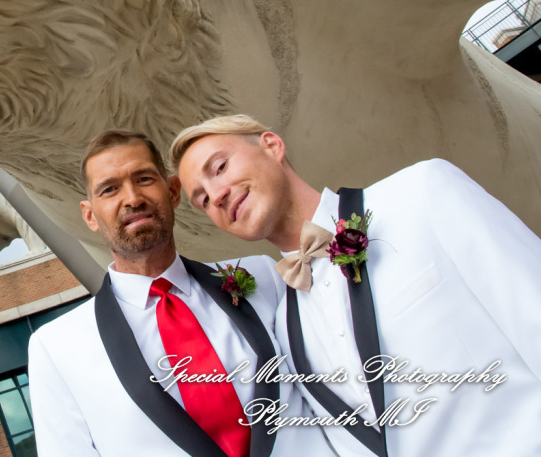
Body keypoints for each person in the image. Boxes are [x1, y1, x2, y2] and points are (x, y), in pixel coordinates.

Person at [170, 115, 541, 457]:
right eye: (202, 200)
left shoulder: (421, 193)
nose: (215, 195)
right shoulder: (283, 327)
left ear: (272, 145)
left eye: (220, 168)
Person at [28, 129, 332, 456]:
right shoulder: (55, 348)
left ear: (173, 191)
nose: (132, 198)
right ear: (90, 215)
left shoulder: (261, 275)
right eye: (110, 189)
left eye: (144, 179)